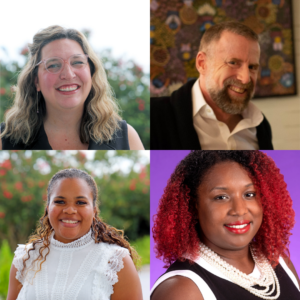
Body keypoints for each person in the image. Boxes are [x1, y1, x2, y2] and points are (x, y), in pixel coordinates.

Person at [151, 151, 300, 300]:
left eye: (249, 194)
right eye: (221, 197)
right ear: (193, 205)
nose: (239, 210)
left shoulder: (279, 261)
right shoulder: (182, 290)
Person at [0, 25, 144, 150]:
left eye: (77, 62)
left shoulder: (127, 137)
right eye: (53, 65)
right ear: (36, 81)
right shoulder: (4, 140)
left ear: (91, 73)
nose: (68, 75)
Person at [7, 168, 143, 300]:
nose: (70, 210)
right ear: (48, 208)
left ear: (94, 210)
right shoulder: (24, 258)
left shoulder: (116, 260)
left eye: (80, 202)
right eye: (60, 201)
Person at [151, 21, 273, 150]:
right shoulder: (154, 117)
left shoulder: (261, 126)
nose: (245, 78)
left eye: (252, 67)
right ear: (202, 63)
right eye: (233, 62)